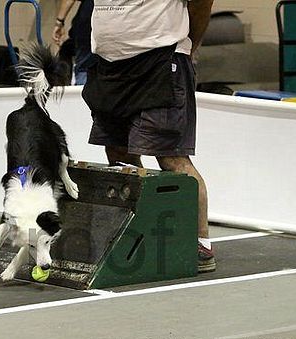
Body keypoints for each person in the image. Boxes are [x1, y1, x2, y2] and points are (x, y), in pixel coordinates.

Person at [82, 0, 216, 272]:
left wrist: (191, 44)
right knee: (118, 153)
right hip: (110, 66)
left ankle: (200, 244)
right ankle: (138, 230)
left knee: (171, 157)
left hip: (161, 59)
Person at [52, 0, 95, 85]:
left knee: (84, 69)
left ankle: (80, 96)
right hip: (118, 27)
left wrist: (59, 22)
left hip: (88, 24)